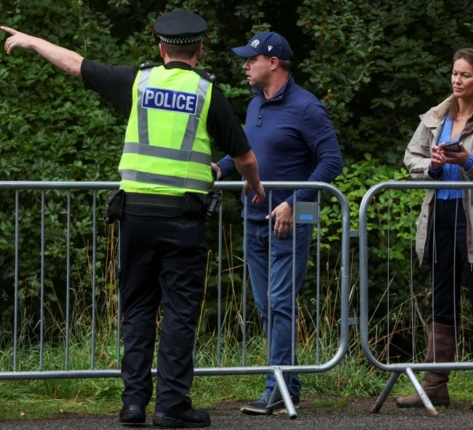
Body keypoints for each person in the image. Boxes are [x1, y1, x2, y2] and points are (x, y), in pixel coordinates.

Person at [2, 10, 265, 428]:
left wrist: (33, 40)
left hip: (135, 215)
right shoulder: (206, 92)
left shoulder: (138, 82)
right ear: (199, 49)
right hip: (183, 218)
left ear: (161, 49)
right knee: (179, 312)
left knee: (138, 308)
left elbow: (77, 63)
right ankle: (171, 406)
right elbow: (245, 155)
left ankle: (133, 404)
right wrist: (255, 186)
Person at [211, 31, 343, 415]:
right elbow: (245, 152)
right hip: (254, 215)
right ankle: (289, 383)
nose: (244, 65)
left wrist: (293, 201)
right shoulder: (256, 105)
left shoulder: (307, 108)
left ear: (274, 63)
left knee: (280, 302)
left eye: (251, 60)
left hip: (294, 217)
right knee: (265, 303)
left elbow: (332, 162)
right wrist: (219, 167)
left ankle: (276, 386)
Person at [399, 48, 473, 410]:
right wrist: (432, 165)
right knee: (442, 297)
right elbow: (410, 158)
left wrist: (469, 160)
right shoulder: (437, 116)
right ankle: (435, 383)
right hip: (440, 215)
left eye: (465, 75)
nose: (457, 80)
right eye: (454, 73)